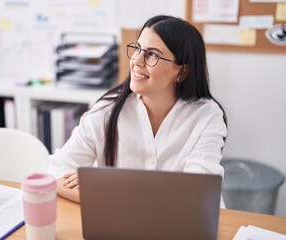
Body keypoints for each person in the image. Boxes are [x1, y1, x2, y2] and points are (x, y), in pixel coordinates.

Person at [47, 15, 227, 203]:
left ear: (181, 71)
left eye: (152, 54)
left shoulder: (207, 116)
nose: (137, 61)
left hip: (179, 228)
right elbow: (57, 169)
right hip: (119, 223)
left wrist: (108, 188)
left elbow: (197, 190)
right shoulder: (106, 110)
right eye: (138, 49)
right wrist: (113, 195)